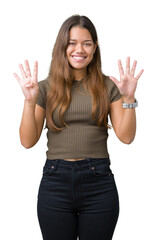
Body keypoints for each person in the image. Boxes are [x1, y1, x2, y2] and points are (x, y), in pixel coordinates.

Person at [14, 15, 144, 240]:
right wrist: (28, 101)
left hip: (98, 183)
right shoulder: (44, 88)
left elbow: (126, 136)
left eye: (86, 43)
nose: (79, 49)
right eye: (72, 43)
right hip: (55, 183)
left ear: (94, 48)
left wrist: (129, 98)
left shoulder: (108, 86)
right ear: (62, 47)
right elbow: (27, 141)